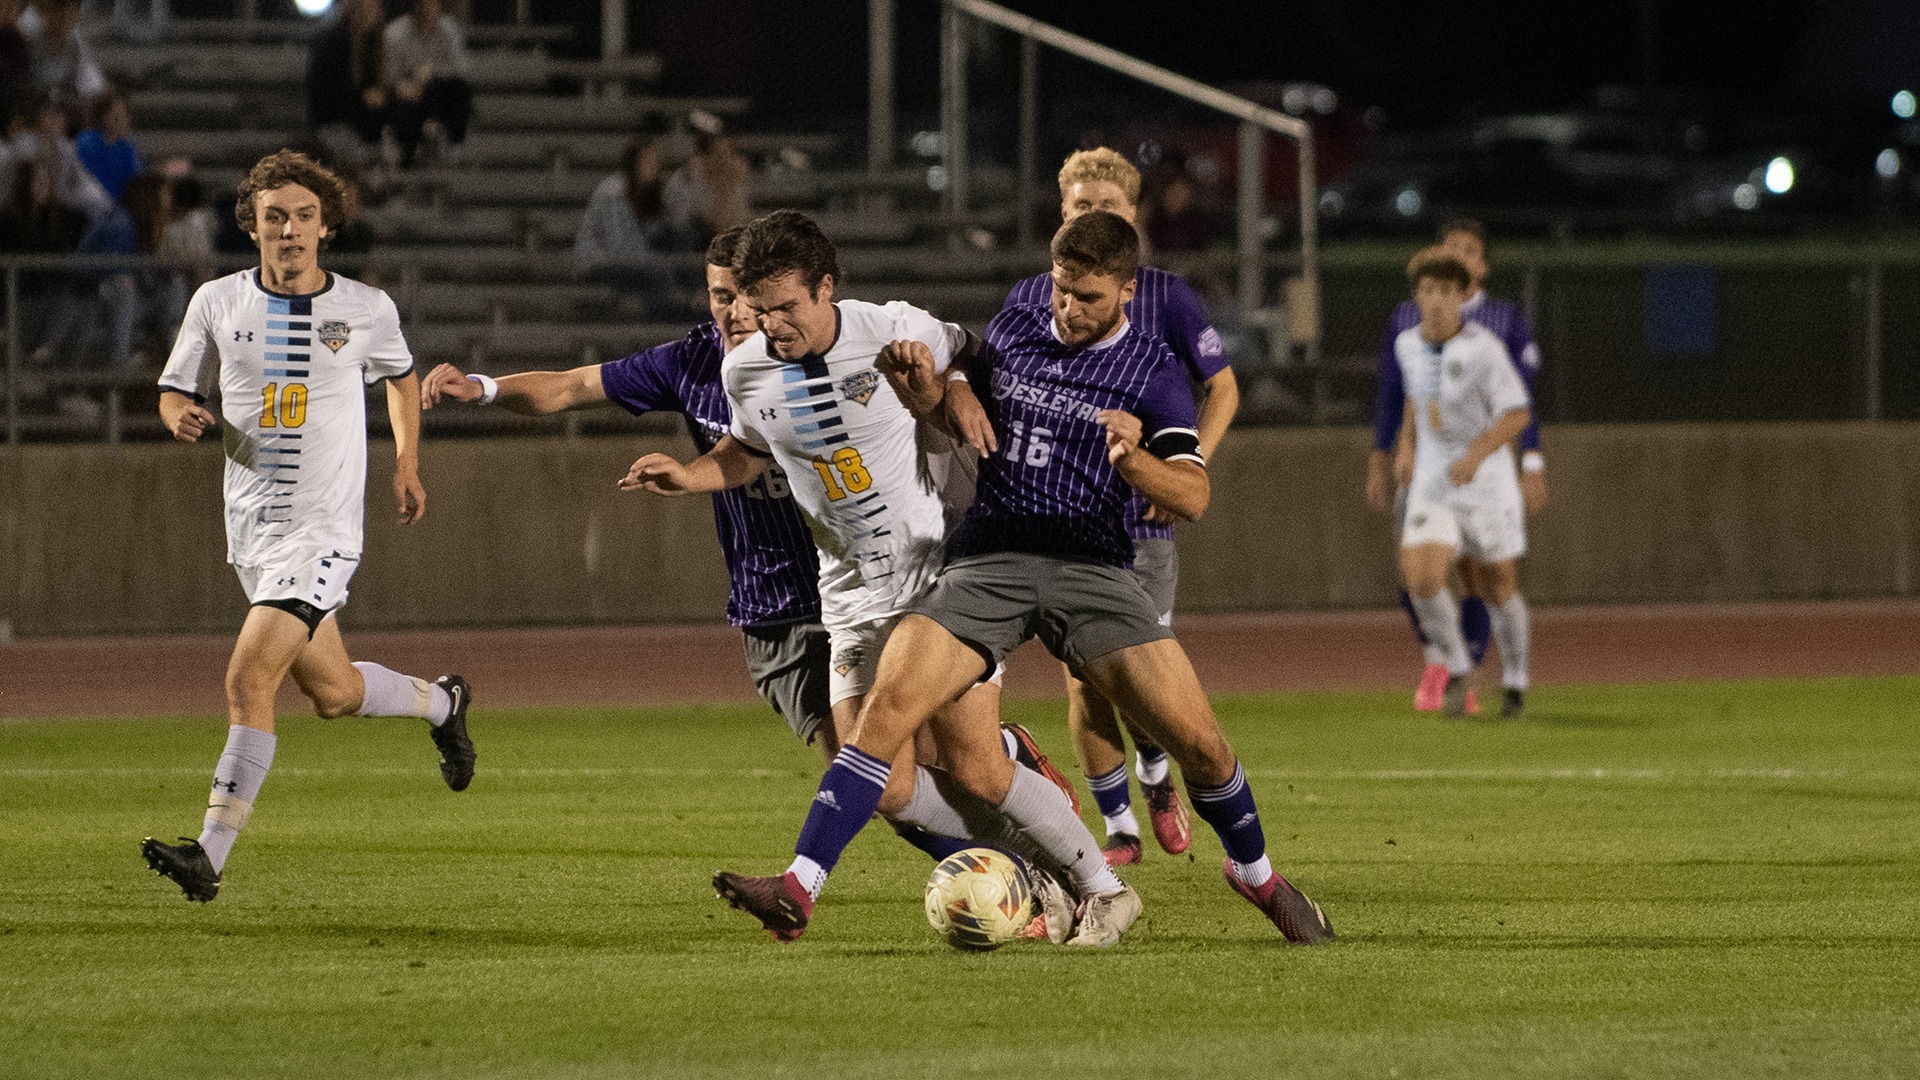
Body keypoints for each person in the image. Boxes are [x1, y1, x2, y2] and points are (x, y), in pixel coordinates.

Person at [690, 210, 1336, 948]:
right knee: (885, 715)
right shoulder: (1025, 314)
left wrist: (1133, 460)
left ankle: (1257, 878)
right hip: (989, 559)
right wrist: (945, 392)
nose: (1067, 308)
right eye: (1061, 290)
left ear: (1127, 291)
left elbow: (1192, 496)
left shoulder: (1152, 370)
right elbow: (961, 376)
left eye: (1087, 297)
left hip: (1090, 567)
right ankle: (800, 887)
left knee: (1202, 746)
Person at [622, 210, 1118, 945]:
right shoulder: (743, 367)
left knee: (972, 772)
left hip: (934, 580)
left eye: (787, 307)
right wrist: (691, 476)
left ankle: (1102, 889)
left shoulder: (889, 326)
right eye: (758, 311)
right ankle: (1035, 864)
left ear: (827, 289)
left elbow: (975, 357)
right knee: (888, 786)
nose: (771, 325)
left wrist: (956, 389)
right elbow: (749, 449)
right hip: (847, 593)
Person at [140, 150, 476, 903]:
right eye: (273, 218)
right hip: (252, 529)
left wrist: (406, 464)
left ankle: (210, 855)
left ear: (326, 227)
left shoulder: (365, 308)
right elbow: (168, 388)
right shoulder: (216, 303)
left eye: (302, 217)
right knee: (332, 692)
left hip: (323, 532)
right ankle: (444, 702)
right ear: (252, 227)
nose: (288, 231)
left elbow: (399, 379)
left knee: (246, 676)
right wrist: (179, 415)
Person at [422, 226, 834, 752]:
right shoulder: (694, 363)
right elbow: (574, 385)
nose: (736, 313)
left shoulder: (836, 350)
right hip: (776, 599)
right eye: (720, 296)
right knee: (863, 771)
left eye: (747, 298)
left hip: (871, 582)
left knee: (918, 758)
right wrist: (485, 388)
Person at [998, 146, 1238, 866]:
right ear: (1062, 212)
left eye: (1108, 207)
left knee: (1143, 680)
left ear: (1132, 215)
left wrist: (1179, 466)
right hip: (1066, 521)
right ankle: (1119, 827)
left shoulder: (1166, 295)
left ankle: (1156, 774)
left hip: (1140, 518)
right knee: (1085, 676)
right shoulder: (1041, 296)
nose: (1094, 216)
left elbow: (1222, 389)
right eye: (1081, 207)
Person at [1367, 218, 1545, 713]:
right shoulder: (1406, 343)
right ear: (1417, 296)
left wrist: (1479, 454)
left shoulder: (1486, 347)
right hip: (1433, 478)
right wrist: (1404, 446)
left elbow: (1518, 412)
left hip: (1486, 480)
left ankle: (1514, 680)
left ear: (1461, 293)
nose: (1437, 299)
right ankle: (1457, 668)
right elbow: (1411, 399)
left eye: (1446, 290)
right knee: (1420, 576)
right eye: (1428, 290)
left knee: (1498, 585)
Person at [574, 135, 678, 314]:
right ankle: (655, 323)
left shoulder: (645, 194)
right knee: (658, 276)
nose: (655, 167)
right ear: (635, 163)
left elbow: (655, 233)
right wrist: (653, 262)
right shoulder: (613, 191)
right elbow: (618, 246)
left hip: (627, 259)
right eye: (649, 161)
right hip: (601, 261)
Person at [381, 0, 471, 168]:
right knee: (405, 101)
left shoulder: (449, 30)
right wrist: (407, 85)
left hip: (438, 92)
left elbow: (460, 69)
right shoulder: (395, 33)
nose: (429, 11)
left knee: (457, 89)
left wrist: (428, 77)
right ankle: (406, 150)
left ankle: (452, 143)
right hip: (407, 92)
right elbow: (389, 76)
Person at [306, 0, 389, 168]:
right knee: (356, 158)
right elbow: (325, 92)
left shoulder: (377, 44)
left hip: (366, 125)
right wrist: (361, 96)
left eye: (372, 8)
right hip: (335, 123)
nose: (368, 14)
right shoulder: (333, 41)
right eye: (363, 8)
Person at [663, 109, 750, 249]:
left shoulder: (734, 172)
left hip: (716, 238)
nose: (726, 158)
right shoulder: (692, 170)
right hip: (686, 238)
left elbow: (736, 220)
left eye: (730, 152)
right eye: (719, 151)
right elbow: (692, 218)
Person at [18, 0, 106, 117]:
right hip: (35, 105)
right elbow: (33, 81)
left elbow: (75, 85)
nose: (62, 20)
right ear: (48, 14)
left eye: (67, 15)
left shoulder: (75, 46)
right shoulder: (32, 43)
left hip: (63, 107)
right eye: (57, 14)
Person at [72, 86, 137, 201]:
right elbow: (92, 182)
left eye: (124, 115)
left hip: (119, 208)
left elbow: (134, 180)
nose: (122, 120)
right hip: (90, 205)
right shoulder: (87, 142)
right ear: (103, 116)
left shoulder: (126, 147)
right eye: (116, 115)